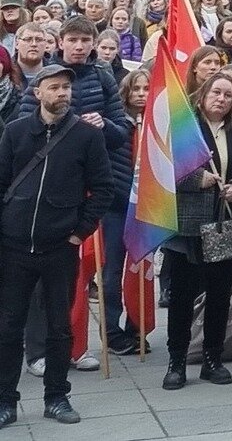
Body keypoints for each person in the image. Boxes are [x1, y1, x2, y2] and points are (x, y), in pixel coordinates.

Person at [0, 64, 114, 426]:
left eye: (66, 88)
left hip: (59, 247)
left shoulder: (86, 136)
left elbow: (103, 188)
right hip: (15, 247)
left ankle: (57, 396)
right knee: (8, 326)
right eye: (54, 87)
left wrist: (79, 231)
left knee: (59, 327)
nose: (62, 93)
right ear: (38, 93)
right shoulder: (16, 132)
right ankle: (5, 400)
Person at [161, 73, 232, 390]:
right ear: (202, 94)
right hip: (189, 226)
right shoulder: (185, 127)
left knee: (220, 294)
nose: (221, 99)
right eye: (216, 92)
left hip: (227, 222)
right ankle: (176, 362)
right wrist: (198, 180)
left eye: (228, 95)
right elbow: (165, 167)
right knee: (181, 296)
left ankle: (213, 359)